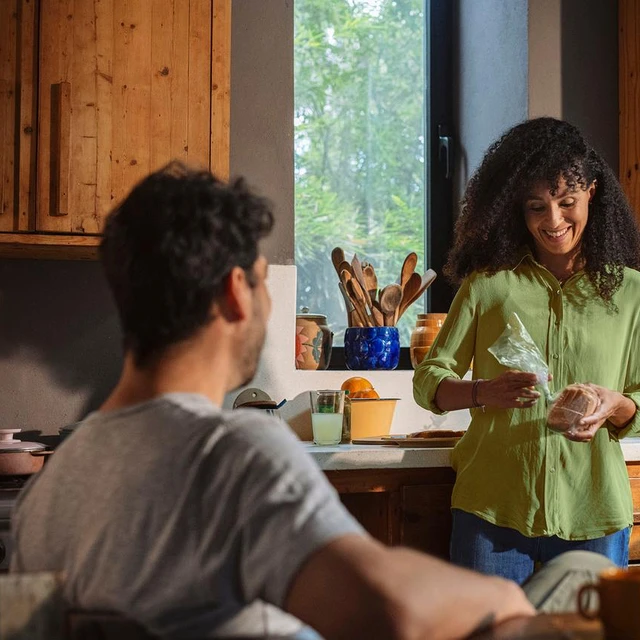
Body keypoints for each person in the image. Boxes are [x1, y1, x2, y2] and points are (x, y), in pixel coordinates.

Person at [10, 162, 534, 639]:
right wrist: (507, 596)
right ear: (235, 291)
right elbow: (391, 612)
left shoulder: (47, 490)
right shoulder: (230, 453)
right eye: (264, 282)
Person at [413, 117, 640, 585]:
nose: (553, 221)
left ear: (592, 193)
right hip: (492, 510)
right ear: (515, 207)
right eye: (537, 206)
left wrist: (616, 404)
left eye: (566, 202)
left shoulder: (630, 293)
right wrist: (482, 392)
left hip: (592, 512)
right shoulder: (489, 284)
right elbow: (429, 379)